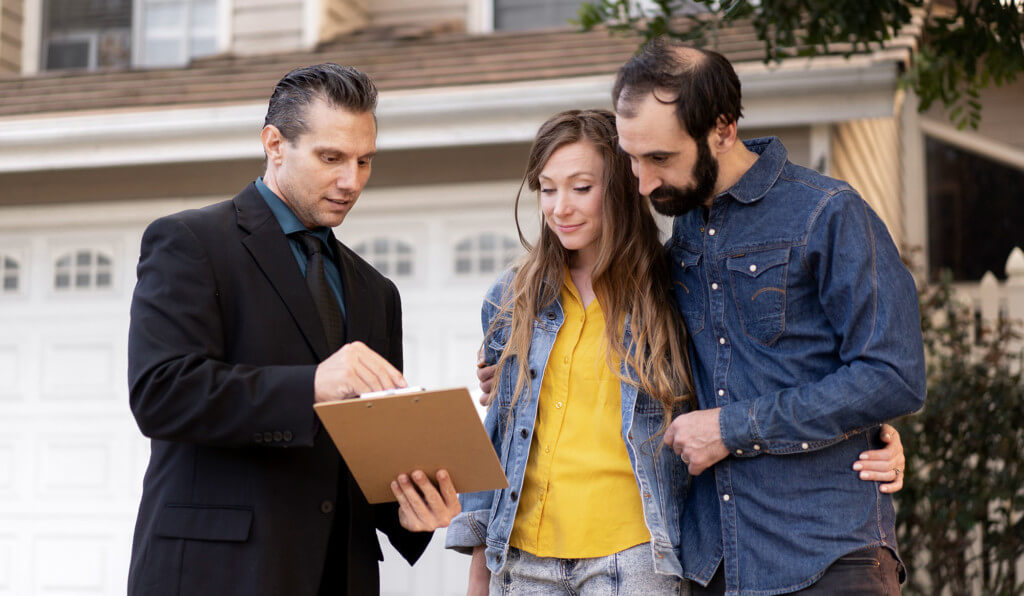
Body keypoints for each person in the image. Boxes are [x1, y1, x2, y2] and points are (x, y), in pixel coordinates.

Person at [459, 110, 908, 595]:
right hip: (525, 562)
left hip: (634, 558)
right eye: (547, 189)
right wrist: (480, 571)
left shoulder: (672, 287)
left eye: (581, 188)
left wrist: (872, 431)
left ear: (620, 188)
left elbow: (739, 373)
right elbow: (502, 436)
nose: (560, 207)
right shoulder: (511, 300)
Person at [126, 63, 460, 596]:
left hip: (339, 575)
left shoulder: (377, 292)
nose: (351, 181)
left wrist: (411, 511)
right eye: (331, 158)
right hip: (218, 575)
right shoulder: (190, 242)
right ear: (274, 144)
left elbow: (366, 451)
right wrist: (312, 385)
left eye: (364, 161)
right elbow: (161, 393)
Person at [612, 39, 926, 595]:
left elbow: (892, 375)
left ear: (723, 129)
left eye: (660, 158)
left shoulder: (828, 213)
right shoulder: (681, 235)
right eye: (632, 158)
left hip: (826, 556)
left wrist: (731, 429)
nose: (643, 182)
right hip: (714, 566)